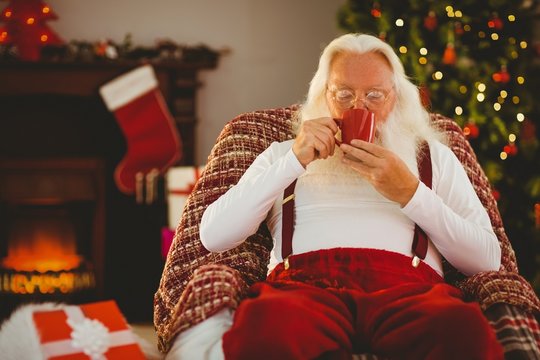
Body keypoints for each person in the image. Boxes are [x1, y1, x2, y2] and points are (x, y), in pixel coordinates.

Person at [166, 33, 504, 359]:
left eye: (375, 95)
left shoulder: (431, 156)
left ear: (396, 98)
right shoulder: (282, 154)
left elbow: (486, 260)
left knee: (463, 330)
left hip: (413, 293)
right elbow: (214, 236)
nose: (359, 107)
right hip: (301, 291)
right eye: (343, 94)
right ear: (323, 97)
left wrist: (411, 194)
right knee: (265, 330)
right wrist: (294, 161)